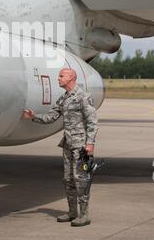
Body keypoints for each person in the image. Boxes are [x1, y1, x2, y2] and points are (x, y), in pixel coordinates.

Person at [22, 68, 98, 227]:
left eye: (61, 76)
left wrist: (90, 143)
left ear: (72, 77)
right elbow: (51, 117)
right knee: (68, 179)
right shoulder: (64, 98)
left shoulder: (83, 97)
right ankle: (72, 212)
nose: (58, 79)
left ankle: (84, 215)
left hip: (81, 146)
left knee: (81, 180)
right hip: (68, 145)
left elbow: (92, 122)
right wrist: (33, 116)